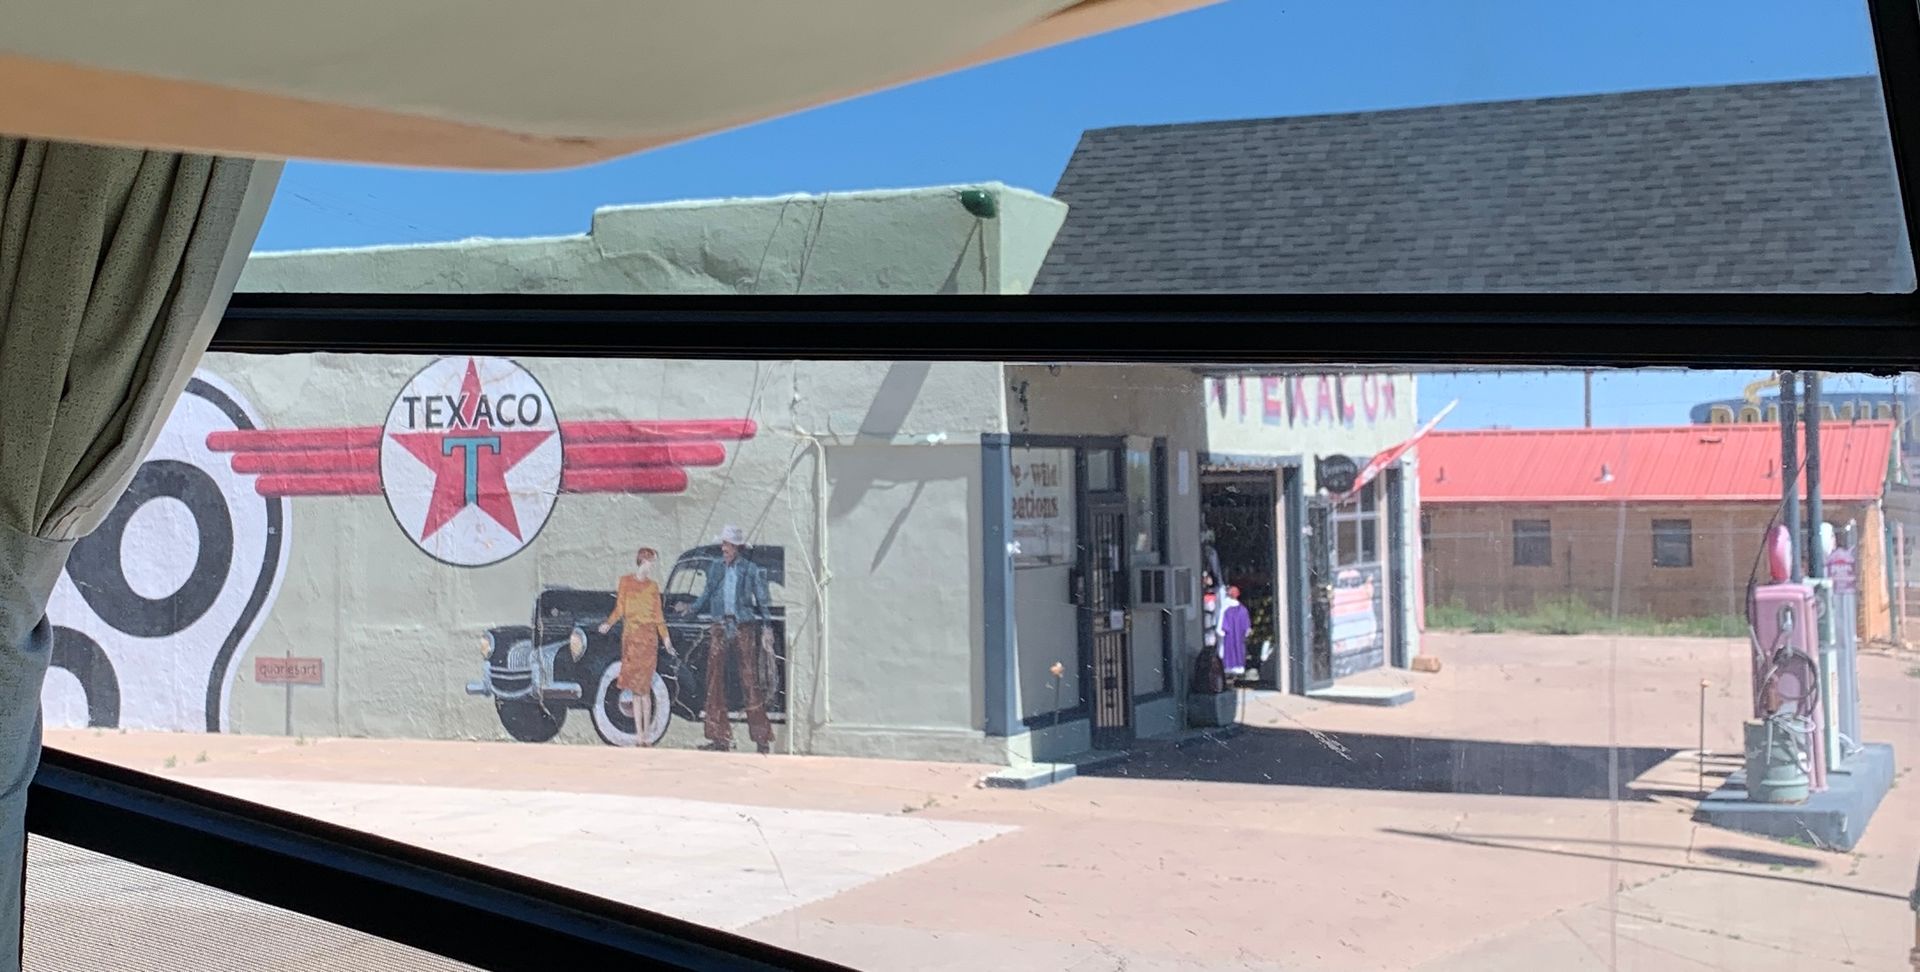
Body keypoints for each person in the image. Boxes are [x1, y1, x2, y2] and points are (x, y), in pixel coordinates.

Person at [677, 525, 775, 753]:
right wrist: (690, 609)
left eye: (728, 545)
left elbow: (761, 601)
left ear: (737, 548)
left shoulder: (750, 570)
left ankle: (762, 739)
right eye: (723, 544)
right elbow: (706, 595)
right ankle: (719, 737)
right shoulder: (716, 568)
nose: (724, 549)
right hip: (720, 626)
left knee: (749, 680)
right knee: (714, 679)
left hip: (743, 626)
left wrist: (767, 628)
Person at [599, 547, 675, 745]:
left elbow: (658, 617)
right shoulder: (626, 582)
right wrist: (608, 623)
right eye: (651, 562)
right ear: (643, 561)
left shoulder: (653, 587)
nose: (652, 567)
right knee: (635, 690)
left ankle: (646, 735)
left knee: (644, 688)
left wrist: (665, 639)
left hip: (648, 641)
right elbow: (620, 609)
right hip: (631, 640)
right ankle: (640, 733)